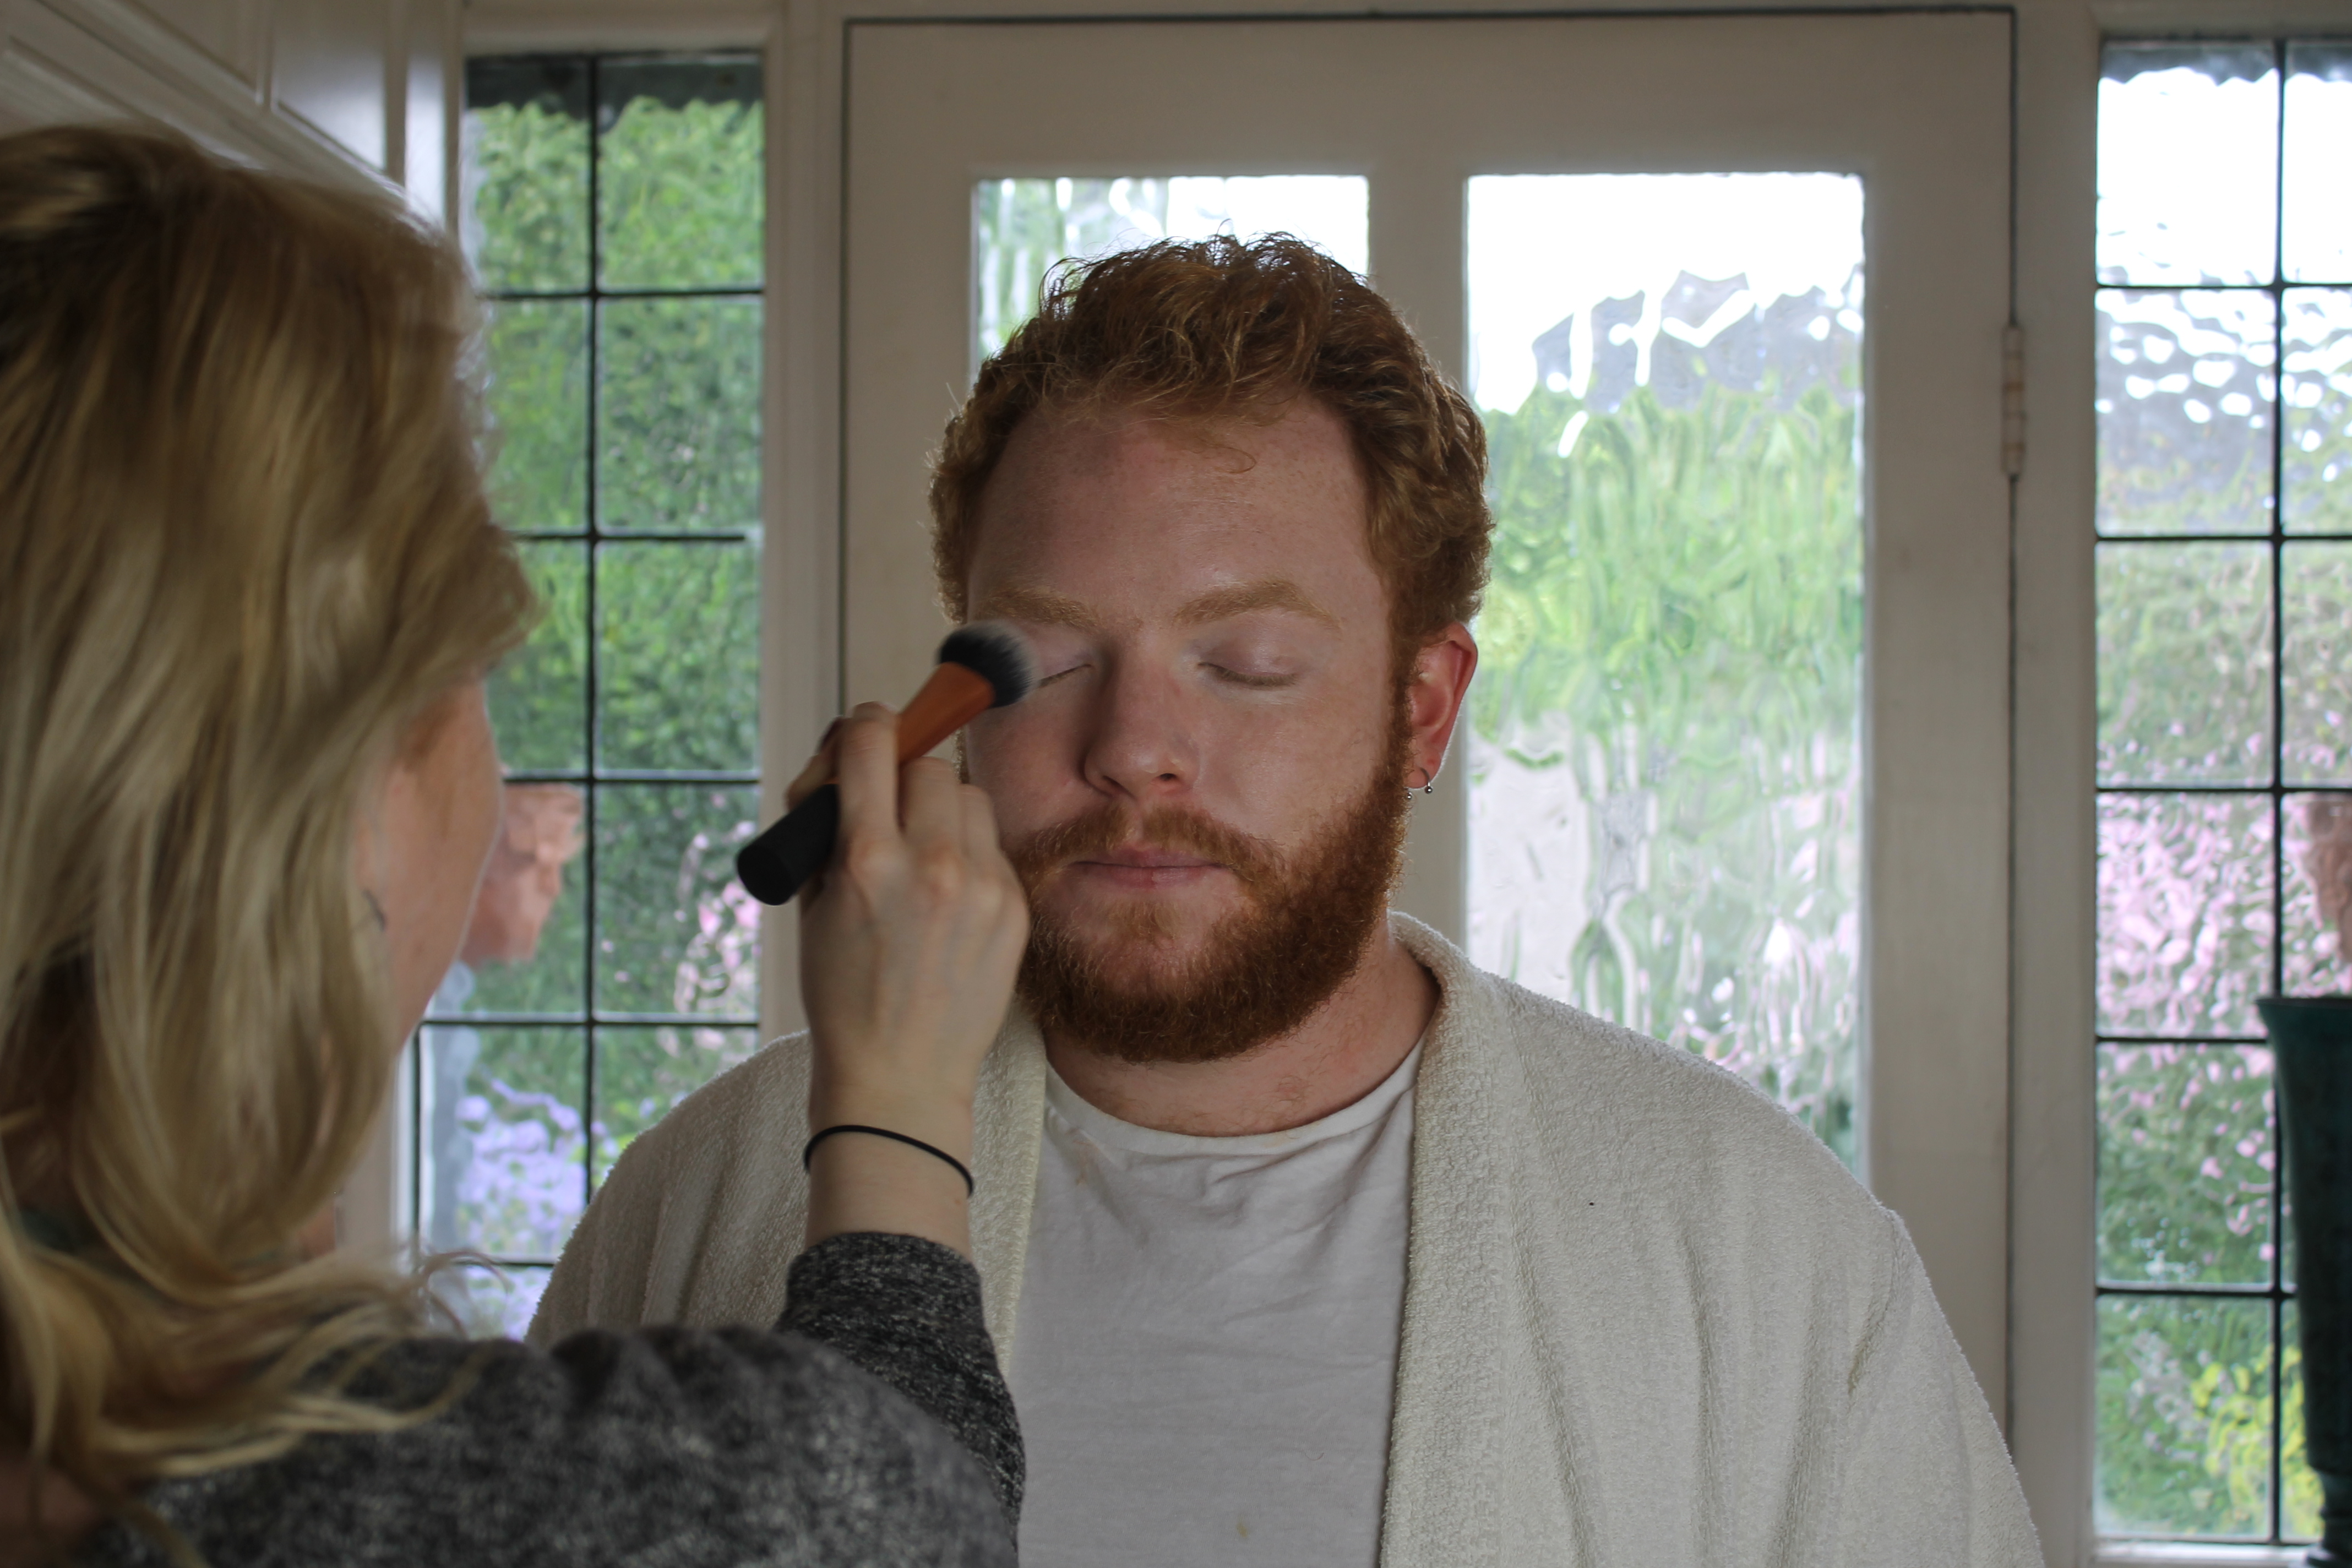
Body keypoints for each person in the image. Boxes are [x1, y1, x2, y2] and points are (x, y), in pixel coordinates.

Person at [534, 236, 2044, 1566]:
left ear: (1422, 708)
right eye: (1046, 661)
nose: (1133, 747)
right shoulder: (710, 1200)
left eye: (1246, 666)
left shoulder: (1757, 1251)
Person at [0, 125, 1028, 1566]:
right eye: (477, 673)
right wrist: (900, 1100)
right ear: (320, 786)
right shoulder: (348, 1492)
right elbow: (896, 1512)